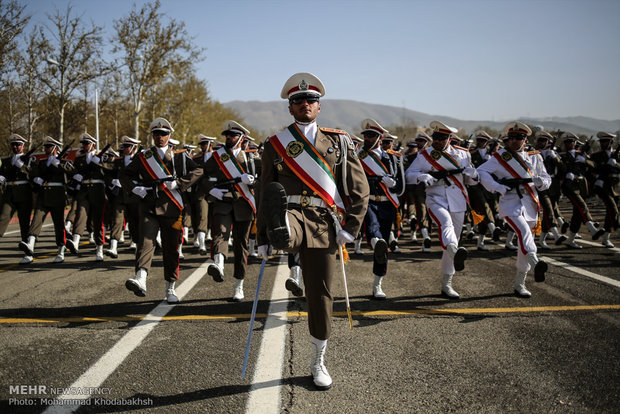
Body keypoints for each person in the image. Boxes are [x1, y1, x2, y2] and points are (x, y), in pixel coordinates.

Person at [256, 72, 369, 390]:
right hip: (289, 212)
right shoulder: (276, 144)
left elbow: (359, 188)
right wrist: (261, 236)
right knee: (285, 226)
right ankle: (280, 234)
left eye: (311, 100)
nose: (305, 104)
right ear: (290, 108)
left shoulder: (339, 141)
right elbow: (263, 189)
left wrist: (351, 227)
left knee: (320, 293)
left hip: (324, 219)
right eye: (298, 100)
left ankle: (318, 360)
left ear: (319, 107)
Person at [121, 117, 203, 303]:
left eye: (164, 134)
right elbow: (125, 174)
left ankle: (170, 288)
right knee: (145, 243)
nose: (160, 137)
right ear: (152, 136)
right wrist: (135, 188)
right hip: (149, 205)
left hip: (172, 208)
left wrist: (180, 183)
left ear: (169, 136)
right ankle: (141, 279)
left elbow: (199, 171)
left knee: (171, 249)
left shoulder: (180, 156)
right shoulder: (143, 156)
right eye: (156, 133)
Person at [405, 121, 478, 299]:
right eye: (435, 137)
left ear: (449, 139)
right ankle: (455, 251)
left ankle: (447, 284)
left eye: (441, 138)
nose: (437, 141)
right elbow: (409, 175)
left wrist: (473, 175)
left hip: (458, 201)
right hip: (435, 199)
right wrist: (422, 176)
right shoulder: (425, 155)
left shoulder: (462, 154)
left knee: (452, 238)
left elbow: (473, 179)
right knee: (446, 225)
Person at [477, 122, 551, 297]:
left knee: (524, 245)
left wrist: (541, 182)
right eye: (511, 138)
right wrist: (496, 186)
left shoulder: (535, 157)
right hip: (510, 202)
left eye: (519, 138)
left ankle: (520, 284)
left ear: (525, 140)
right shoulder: (500, 157)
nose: (514, 141)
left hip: (531, 202)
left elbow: (547, 178)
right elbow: (481, 172)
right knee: (524, 232)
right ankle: (535, 262)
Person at [202, 120, 257, 301]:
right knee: (221, 233)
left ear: (241, 139)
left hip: (243, 204)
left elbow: (264, 180)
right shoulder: (217, 156)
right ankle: (218, 264)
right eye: (227, 135)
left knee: (241, 246)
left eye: (233, 136)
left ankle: (238, 285)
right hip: (223, 201)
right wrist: (211, 190)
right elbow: (202, 176)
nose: (229, 138)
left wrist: (252, 181)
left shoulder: (251, 159)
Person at [357, 119, 404, 299]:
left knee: (383, 249)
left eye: (371, 136)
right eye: (366, 135)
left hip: (387, 202)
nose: (367, 139)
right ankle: (376, 241)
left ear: (380, 138)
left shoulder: (392, 157)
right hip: (368, 200)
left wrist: (393, 183)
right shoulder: (357, 156)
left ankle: (377, 285)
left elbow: (400, 186)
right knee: (372, 225)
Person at [19, 136, 73, 264]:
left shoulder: (64, 161)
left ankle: (61, 250)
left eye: (48, 147)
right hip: (43, 195)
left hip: (57, 195)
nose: (46, 149)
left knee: (59, 224)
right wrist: (36, 178)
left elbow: (73, 171)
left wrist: (60, 165)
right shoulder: (42, 162)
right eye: (46, 146)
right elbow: (33, 172)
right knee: (36, 220)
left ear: (55, 148)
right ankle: (30, 249)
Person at [557, 131, 605, 247]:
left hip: (581, 185)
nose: (569, 144)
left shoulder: (581, 155)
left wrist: (585, 161)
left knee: (577, 214)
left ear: (575, 143)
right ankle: (592, 228)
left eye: (571, 142)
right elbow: (557, 170)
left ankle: (570, 240)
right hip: (569, 186)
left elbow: (594, 166)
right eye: (566, 142)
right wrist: (566, 174)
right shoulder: (561, 155)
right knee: (582, 205)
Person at [65, 133, 108, 261]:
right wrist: (75, 175)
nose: (84, 146)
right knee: (80, 214)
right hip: (83, 190)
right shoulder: (79, 158)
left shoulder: (102, 156)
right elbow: (74, 170)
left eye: (86, 143)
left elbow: (109, 170)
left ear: (93, 144)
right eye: (83, 144)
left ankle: (99, 247)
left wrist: (100, 163)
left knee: (98, 220)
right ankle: (76, 241)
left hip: (98, 190)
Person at [104, 136, 142, 258]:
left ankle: (137, 245)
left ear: (133, 148)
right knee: (117, 220)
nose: (124, 148)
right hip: (120, 196)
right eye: (124, 146)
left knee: (134, 222)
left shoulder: (139, 160)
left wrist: (135, 185)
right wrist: (113, 181)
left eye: (127, 146)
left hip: (133, 196)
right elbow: (107, 174)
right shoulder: (118, 161)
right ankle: (113, 247)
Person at [0, 134, 34, 247]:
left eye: (18, 145)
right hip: (9, 193)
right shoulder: (6, 161)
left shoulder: (29, 159)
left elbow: (33, 173)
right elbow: (3, 173)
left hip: (24, 193)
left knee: (24, 221)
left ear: (23, 146)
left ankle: (27, 246)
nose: (15, 147)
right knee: (3, 217)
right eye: (13, 145)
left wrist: (23, 167)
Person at [468, 131, 501, 250]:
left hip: (489, 186)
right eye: (479, 140)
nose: (480, 143)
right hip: (476, 186)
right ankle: (493, 229)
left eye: (483, 141)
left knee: (490, 209)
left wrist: (491, 159)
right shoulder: (471, 153)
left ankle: (480, 242)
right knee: (484, 206)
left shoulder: (493, 155)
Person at [534, 131, 566, 248]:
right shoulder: (533, 153)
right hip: (540, 185)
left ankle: (542, 240)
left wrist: (555, 158)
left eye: (543, 140)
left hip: (553, 185)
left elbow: (563, 169)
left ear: (548, 142)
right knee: (548, 209)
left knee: (550, 211)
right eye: (539, 140)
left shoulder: (553, 153)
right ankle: (556, 234)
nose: (541, 142)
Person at [590, 131, 619, 247]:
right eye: (601, 141)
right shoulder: (596, 155)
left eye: (605, 141)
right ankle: (618, 228)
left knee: (609, 213)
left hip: (616, 188)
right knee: (613, 210)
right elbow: (592, 167)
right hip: (602, 187)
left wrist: (615, 164)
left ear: (611, 142)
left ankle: (606, 237)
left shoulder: (618, 155)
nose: (602, 143)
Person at [191, 134, 216, 255]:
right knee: (202, 216)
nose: (202, 147)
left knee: (215, 217)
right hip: (201, 191)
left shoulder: (218, 157)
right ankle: (202, 244)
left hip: (216, 191)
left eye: (205, 144)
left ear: (211, 144)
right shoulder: (196, 159)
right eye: (201, 144)